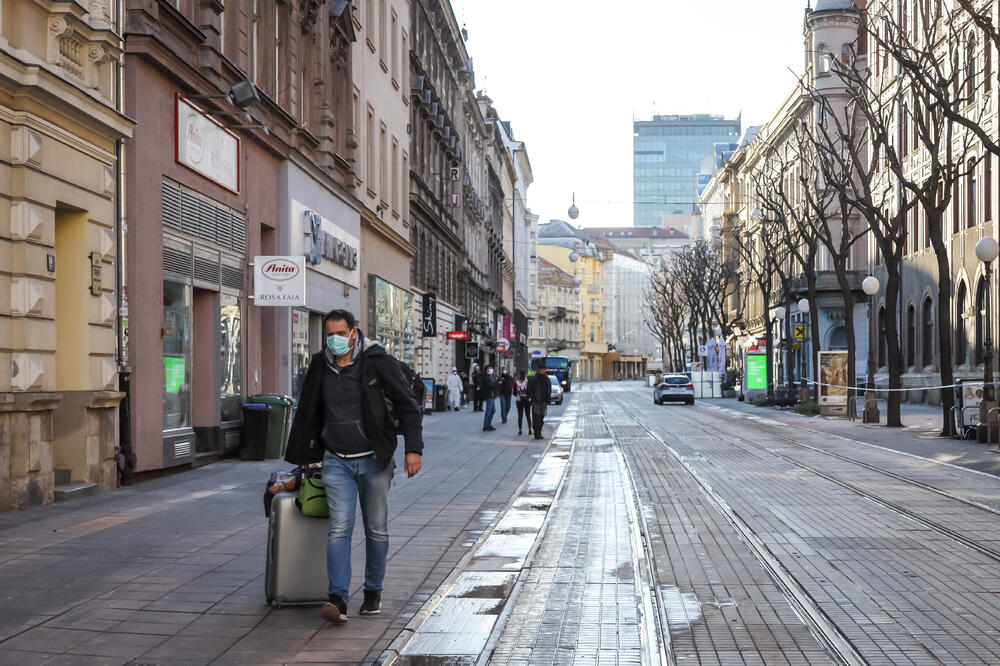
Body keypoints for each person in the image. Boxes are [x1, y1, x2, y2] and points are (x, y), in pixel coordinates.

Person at [285, 309, 423, 625]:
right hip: (336, 460)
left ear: (354, 332)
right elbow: (308, 409)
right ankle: (337, 598)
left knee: (376, 529)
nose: (333, 340)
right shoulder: (320, 364)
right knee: (339, 528)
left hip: (374, 459)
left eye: (339, 333)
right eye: (328, 334)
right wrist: (305, 451)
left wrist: (413, 449)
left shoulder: (377, 362)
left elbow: (408, 406)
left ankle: (373, 591)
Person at [525, 365, 552, 440]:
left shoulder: (547, 379)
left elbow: (549, 389)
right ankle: (537, 434)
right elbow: (528, 390)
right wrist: (531, 398)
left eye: (544, 369)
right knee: (536, 417)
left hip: (544, 402)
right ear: (539, 370)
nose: (544, 370)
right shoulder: (534, 378)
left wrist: (548, 399)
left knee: (541, 418)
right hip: (536, 401)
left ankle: (539, 431)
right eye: (542, 369)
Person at [479, 365, 498, 431]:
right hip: (489, 395)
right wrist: (497, 383)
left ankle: (488, 424)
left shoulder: (489, 376)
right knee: (488, 411)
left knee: (493, 410)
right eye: (489, 368)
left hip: (491, 396)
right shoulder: (486, 377)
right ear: (486, 370)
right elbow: (491, 386)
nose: (491, 369)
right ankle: (485, 426)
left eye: (491, 368)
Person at [515, 370, 530, 435]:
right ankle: (530, 430)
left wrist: (518, 394)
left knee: (520, 415)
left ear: (519, 375)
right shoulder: (527, 382)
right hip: (527, 400)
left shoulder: (517, 382)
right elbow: (530, 391)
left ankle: (520, 430)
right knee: (528, 415)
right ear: (525, 375)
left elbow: (514, 392)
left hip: (519, 400)